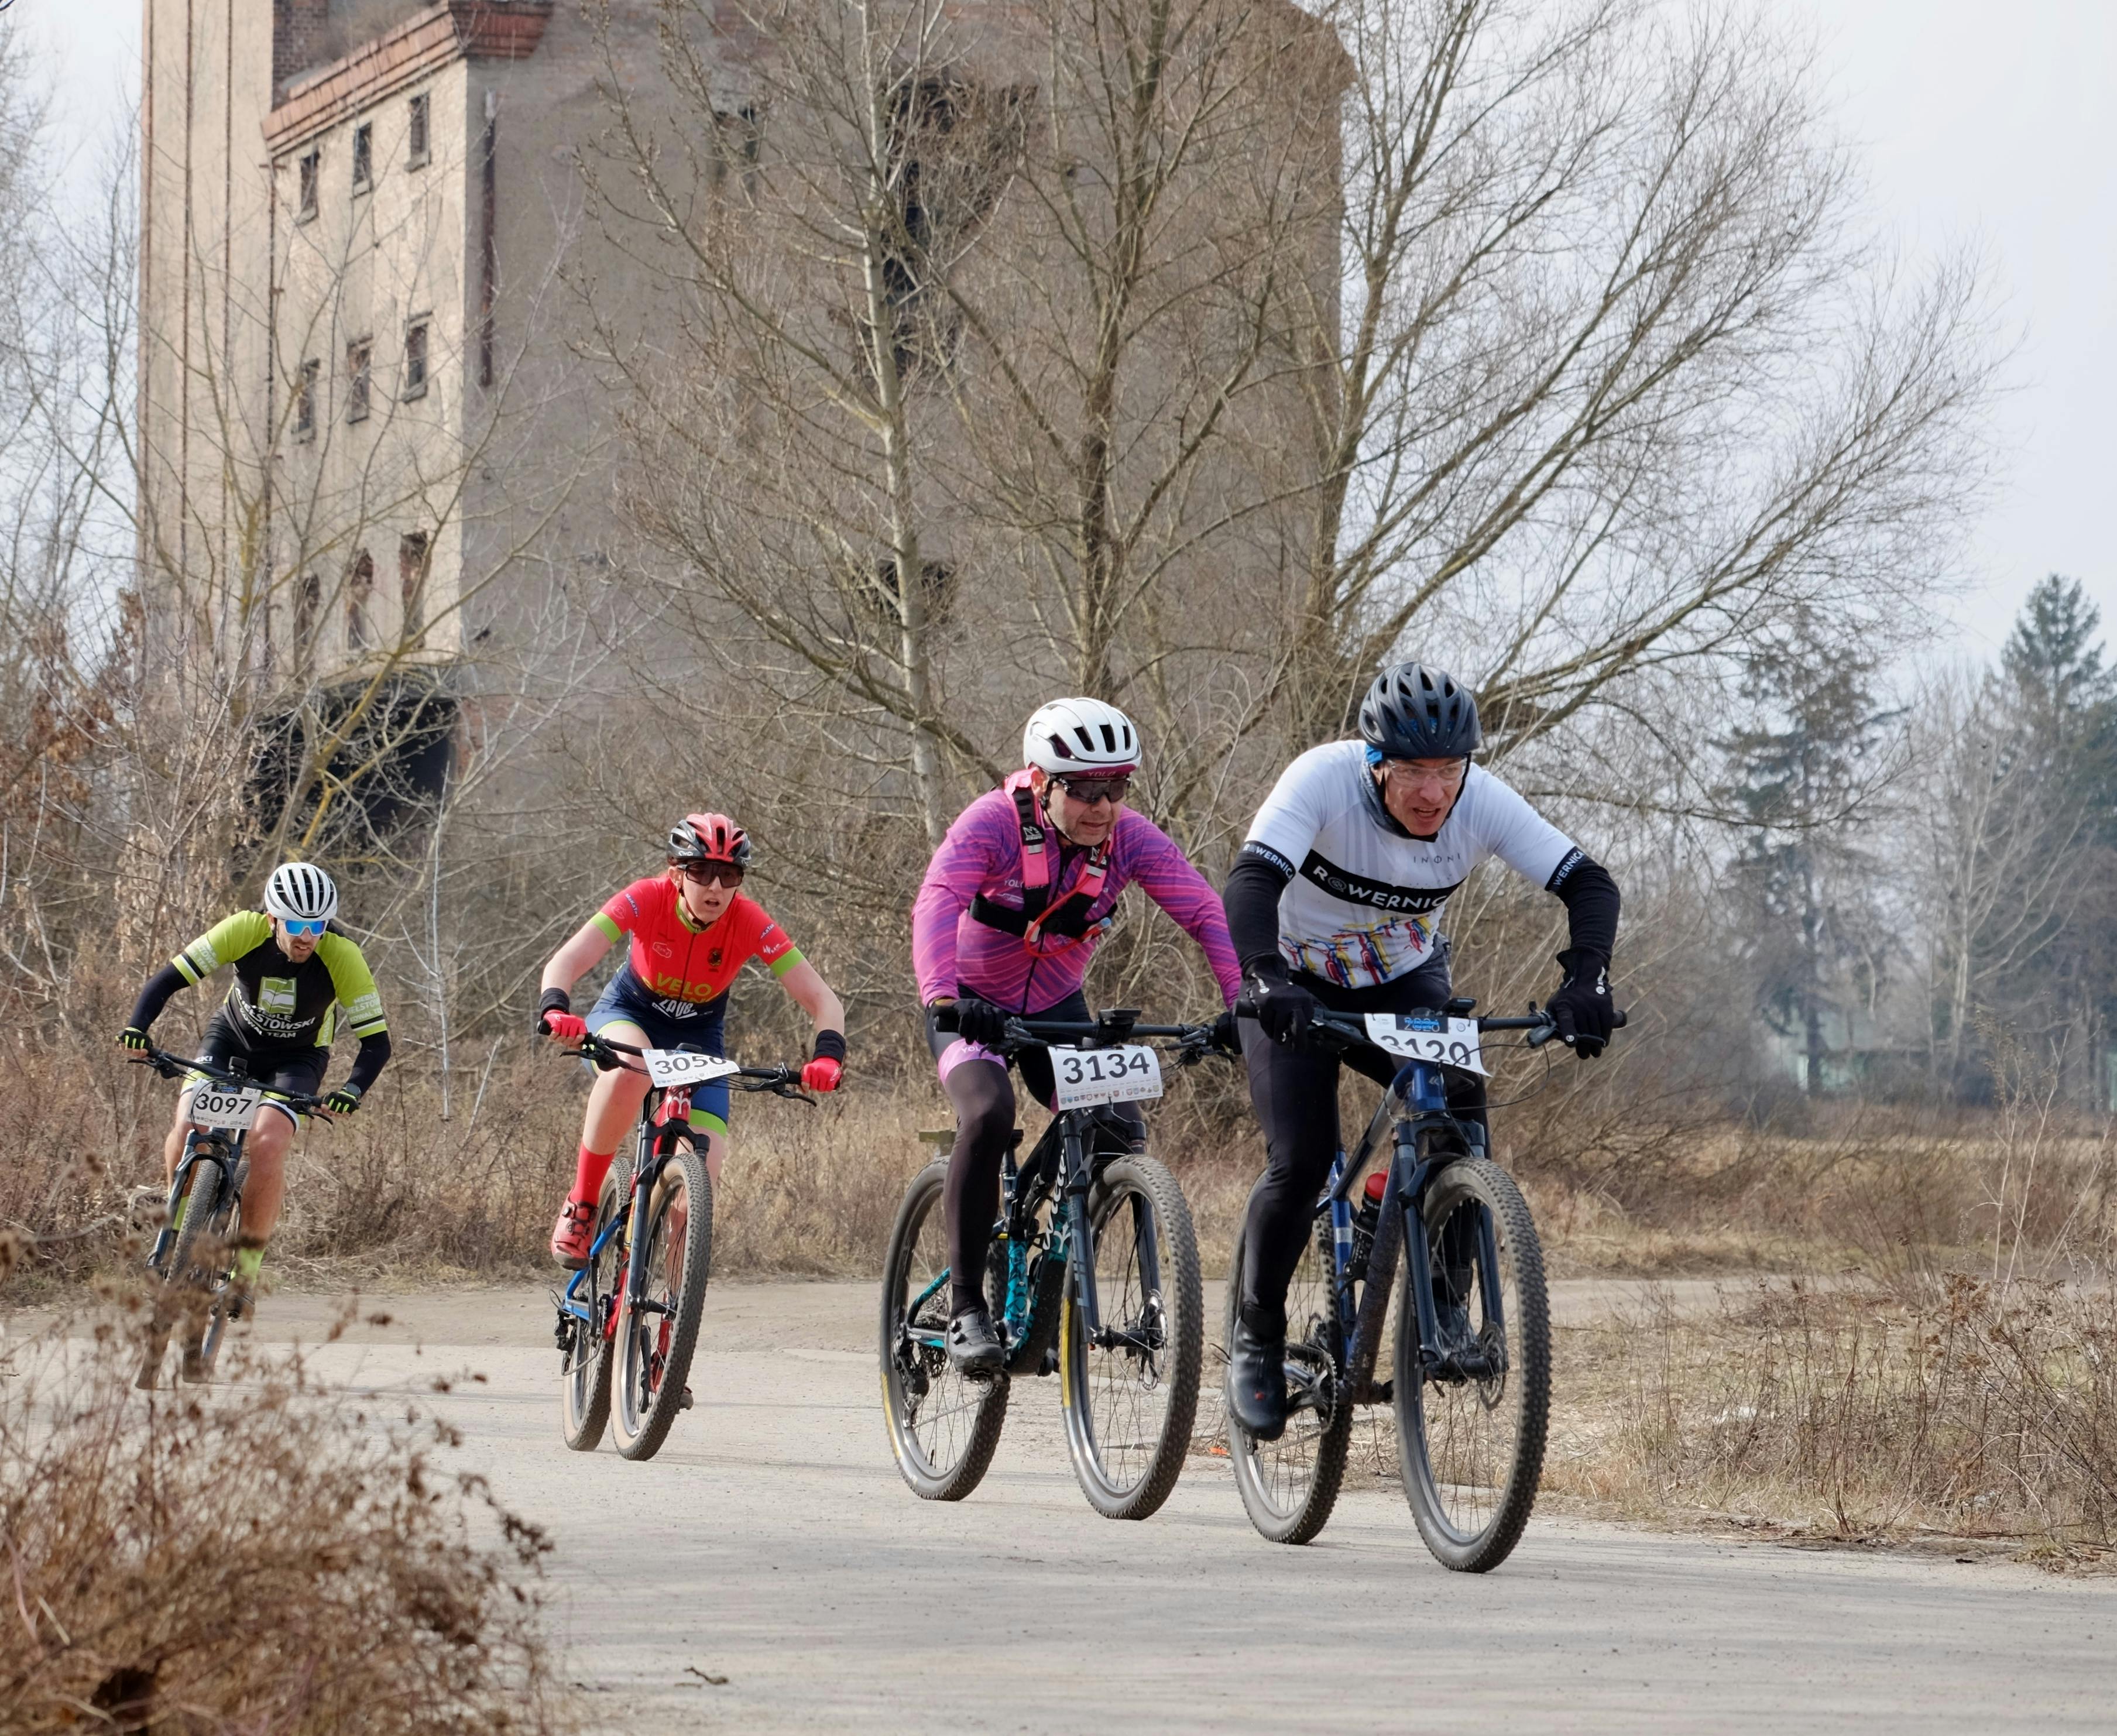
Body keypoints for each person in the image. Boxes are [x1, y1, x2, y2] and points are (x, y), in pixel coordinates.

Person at [1222, 662, 1621, 1440]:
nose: (1433, 791)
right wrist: (1265, 978)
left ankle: (1445, 1297)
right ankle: (1256, 1333)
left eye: (1447, 770)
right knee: (1301, 1161)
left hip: (1402, 982)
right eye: (1413, 772)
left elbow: (1590, 885)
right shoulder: (1322, 780)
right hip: (1296, 982)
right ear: (1376, 765)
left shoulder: (1481, 801)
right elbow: (1250, 881)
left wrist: (1586, 982)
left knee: (1459, 1103)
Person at [912, 697, 1243, 1374]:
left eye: (1116, 788)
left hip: (1056, 1004)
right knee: (988, 1111)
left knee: (1118, 1128)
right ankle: (969, 1306)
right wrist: (944, 998)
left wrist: (1242, 1002)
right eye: (1085, 790)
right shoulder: (993, 824)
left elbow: (1204, 911)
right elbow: (937, 900)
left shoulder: (1129, 838)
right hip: (970, 1005)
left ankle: (1057, 1282)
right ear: (1040, 783)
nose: (1101, 806)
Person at [535, 812, 847, 1267]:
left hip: (698, 1039)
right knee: (635, 1069)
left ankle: (672, 1321)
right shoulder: (646, 897)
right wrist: (556, 1009)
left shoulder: (749, 921)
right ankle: (582, 1203)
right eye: (700, 871)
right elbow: (568, 958)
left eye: (729, 874)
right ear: (676, 872)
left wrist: (827, 1057)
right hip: (628, 1015)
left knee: (699, 1185)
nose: (715, 887)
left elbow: (823, 1000)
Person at [118, 861, 391, 1307]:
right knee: (189, 1125)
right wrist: (137, 1029)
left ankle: (244, 1273)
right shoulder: (242, 930)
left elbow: (377, 1043)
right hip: (231, 1039)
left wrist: (351, 1091)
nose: (307, 936)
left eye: (317, 924)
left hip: (297, 1058)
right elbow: (166, 981)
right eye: (297, 924)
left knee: (266, 1143)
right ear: (272, 919)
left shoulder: (342, 956)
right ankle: (177, 1228)